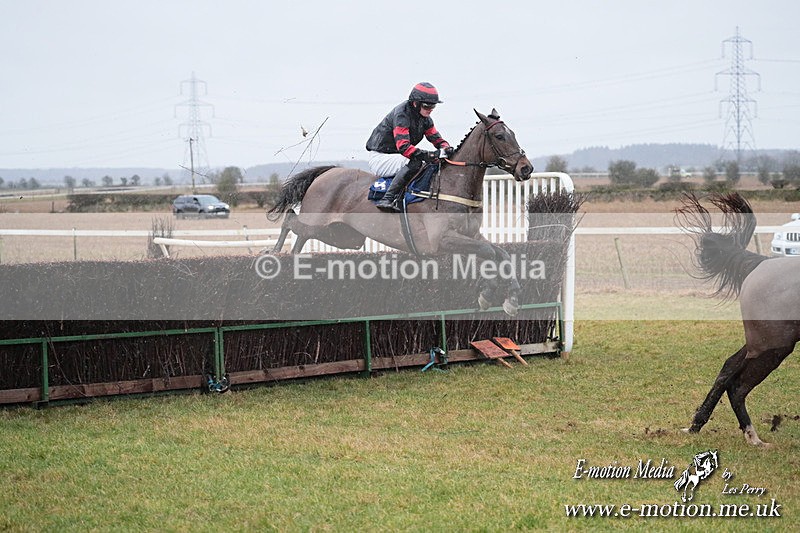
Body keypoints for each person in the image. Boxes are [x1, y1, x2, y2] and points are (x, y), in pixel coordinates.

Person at [366, 82, 454, 212]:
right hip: (381, 158)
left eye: (433, 106)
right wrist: (432, 155)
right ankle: (387, 198)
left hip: (397, 157)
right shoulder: (402, 115)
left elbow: (437, 139)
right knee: (415, 162)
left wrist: (447, 148)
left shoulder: (425, 119)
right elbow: (404, 148)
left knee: (427, 164)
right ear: (415, 103)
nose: (430, 109)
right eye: (427, 106)